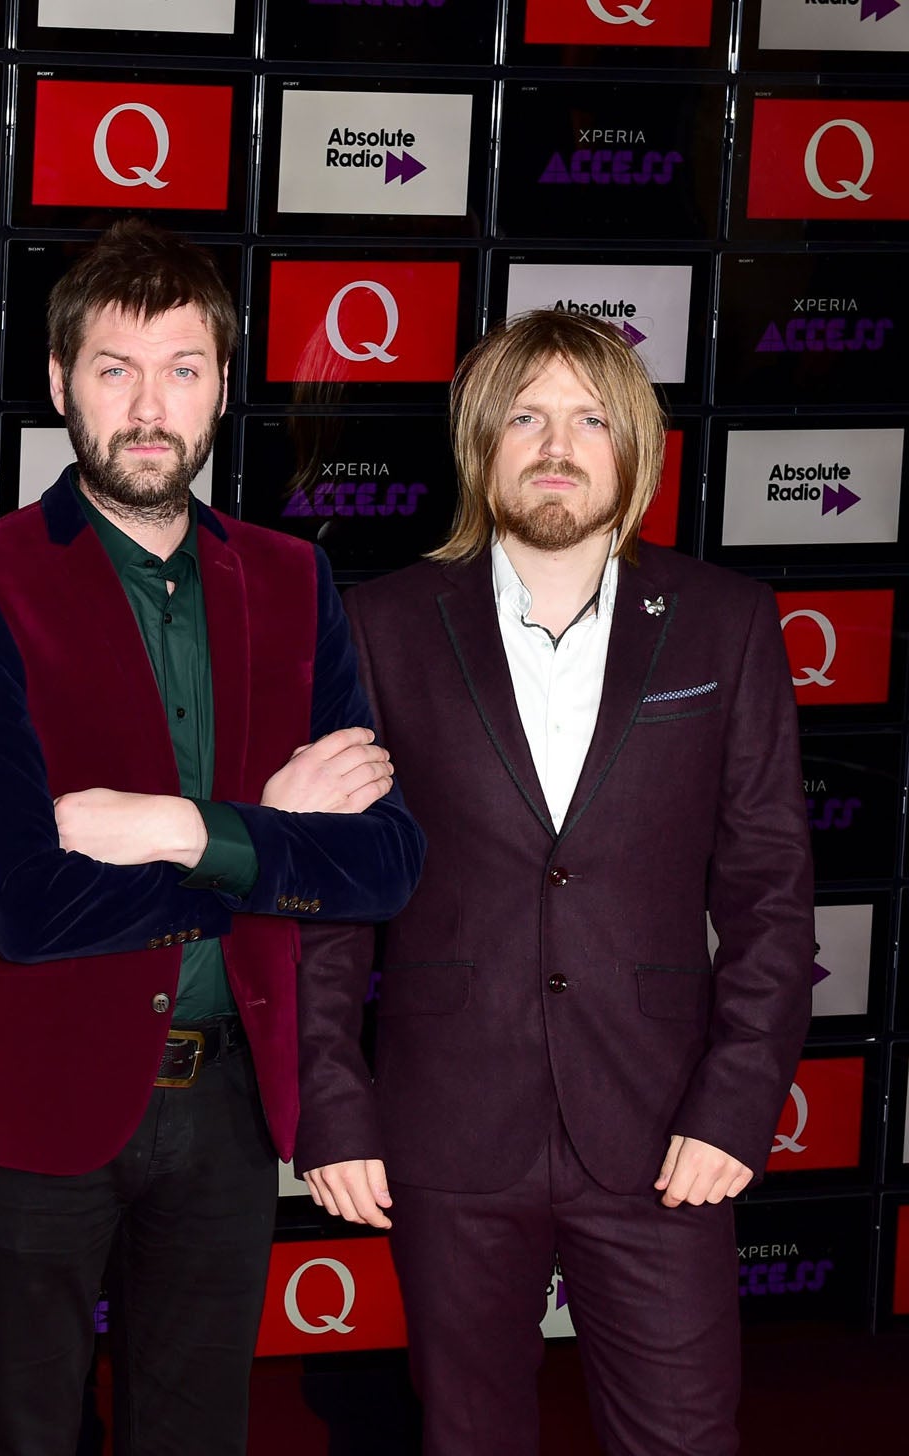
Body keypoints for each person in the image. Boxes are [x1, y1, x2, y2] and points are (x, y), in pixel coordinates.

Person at [0, 217, 426, 1456]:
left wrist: (174, 827)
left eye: (182, 368)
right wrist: (261, 843)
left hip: (229, 1105)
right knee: (13, 1434)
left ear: (223, 388)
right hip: (27, 1102)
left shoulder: (297, 582)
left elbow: (385, 860)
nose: (149, 405)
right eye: (113, 368)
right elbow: (25, 901)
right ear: (57, 384)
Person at [297, 309, 813, 1456]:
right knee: (467, 1437)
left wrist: (734, 1106)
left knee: (682, 1437)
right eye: (523, 416)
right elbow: (331, 897)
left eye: (587, 418)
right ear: (481, 442)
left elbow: (772, 898)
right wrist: (332, 1104)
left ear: (631, 447)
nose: (554, 445)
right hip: (445, 1128)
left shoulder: (723, 624)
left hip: (661, 1130)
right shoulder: (378, 624)